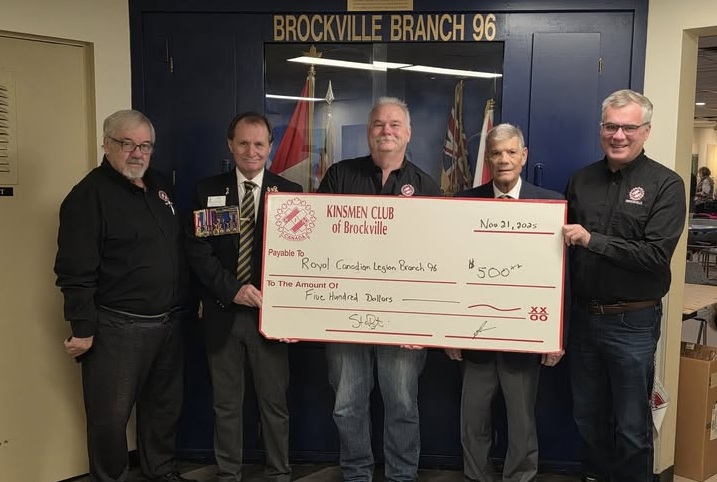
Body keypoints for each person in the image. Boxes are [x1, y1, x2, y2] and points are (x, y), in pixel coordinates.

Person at [54, 110, 195, 482]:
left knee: (163, 408)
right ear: (107, 143)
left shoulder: (158, 185)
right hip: (118, 329)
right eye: (127, 143)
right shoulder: (88, 197)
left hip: (168, 323)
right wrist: (82, 328)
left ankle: (161, 472)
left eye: (145, 145)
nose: (137, 153)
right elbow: (74, 271)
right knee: (110, 418)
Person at [562, 89, 686, 482]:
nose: (618, 135)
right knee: (587, 417)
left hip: (633, 323)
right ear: (601, 129)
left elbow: (654, 255)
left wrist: (592, 240)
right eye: (611, 126)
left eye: (628, 128)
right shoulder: (581, 180)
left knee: (632, 426)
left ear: (646, 131)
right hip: (583, 319)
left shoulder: (666, 185)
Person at [317, 97, 442, 482]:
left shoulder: (426, 186)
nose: (386, 131)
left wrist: (424, 323)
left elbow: (438, 256)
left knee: (402, 403)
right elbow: (315, 243)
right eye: (378, 124)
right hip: (345, 313)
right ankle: (356, 474)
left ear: (408, 133)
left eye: (394, 124)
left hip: (403, 319)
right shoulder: (339, 176)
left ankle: (402, 475)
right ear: (368, 132)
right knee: (346, 404)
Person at [445, 124, 566, 482]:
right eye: (496, 153)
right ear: (487, 158)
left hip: (525, 337)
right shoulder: (463, 203)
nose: (504, 159)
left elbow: (562, 276)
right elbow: (450, 268)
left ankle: (520, 477)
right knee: (473, 418)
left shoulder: (550, 204)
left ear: (524, 156)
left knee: (522, 420)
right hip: (474, 336)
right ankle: (476, 476)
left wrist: (556, 337)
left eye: (511, 152)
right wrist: (448, 332)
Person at [185, 112, 302, 482]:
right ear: (230, 145)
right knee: (226, 404)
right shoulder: (207, 191)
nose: (251, 151)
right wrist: (234, 290)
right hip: (223, 314)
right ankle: (228, 474)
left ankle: (279, 472)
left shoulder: (291, 193)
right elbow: (199, 253)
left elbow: (302, 256)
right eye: (244, 143)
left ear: (270, 147)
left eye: (259, 144)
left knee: (274, 403)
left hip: (271, 318)